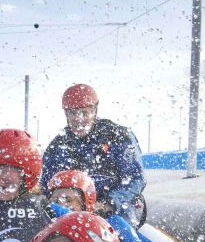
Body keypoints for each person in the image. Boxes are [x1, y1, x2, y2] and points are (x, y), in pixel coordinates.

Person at [41, 84, 146, 226]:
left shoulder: (118, 136)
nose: (79, 119)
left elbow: (136, 179)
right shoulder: (57, 146)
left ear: (94, 112)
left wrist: (109, 203)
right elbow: (46, 185)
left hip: (118, 207)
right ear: (66, 115)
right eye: (73, 113)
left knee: (117, 230)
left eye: (84, 113)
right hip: (76, 208)